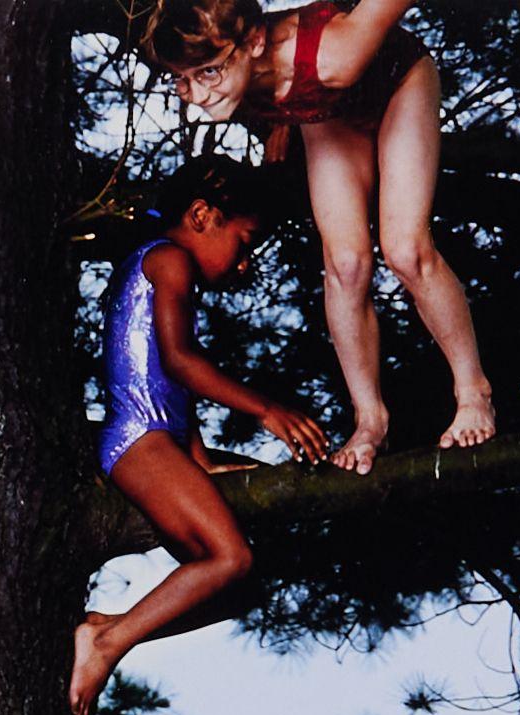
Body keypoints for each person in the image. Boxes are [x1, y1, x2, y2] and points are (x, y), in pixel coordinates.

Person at [144, 0, 496, 471]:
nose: (196, 94)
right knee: (345, 266)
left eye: (206, 73)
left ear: (253, 43)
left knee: (405, 250)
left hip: (397, 84)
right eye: (181, 79)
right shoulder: (234, 81)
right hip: (326, 112)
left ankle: (474, 392)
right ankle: (370, 420)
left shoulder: (337, 52)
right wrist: (278, 128)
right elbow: (247, 87)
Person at [70, 155, 330, 715]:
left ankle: (108, 629)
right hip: (137, 438)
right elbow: (179, 363)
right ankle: (107, 640)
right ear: (203, 214)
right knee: (230, 558)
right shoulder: (168, 259)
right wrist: (268, 409)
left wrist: (199, 460)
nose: (244, 265)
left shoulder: (166, 263)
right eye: (245, 242)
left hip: (160, 440)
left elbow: (165, 383)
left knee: (239, 588)